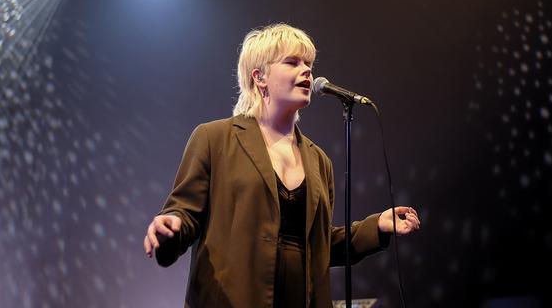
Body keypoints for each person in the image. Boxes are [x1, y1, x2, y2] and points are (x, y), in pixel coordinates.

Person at [143, 23, 421, 307]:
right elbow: (185, 213)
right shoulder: (215, 139)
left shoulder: (318, 160)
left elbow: (320, 246)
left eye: (309, 63)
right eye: (292, 62)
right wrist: (172, 224)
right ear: (259, 77)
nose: (307, 71)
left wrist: (377, 226)